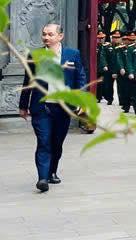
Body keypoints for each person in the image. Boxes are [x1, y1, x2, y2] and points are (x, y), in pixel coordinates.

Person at [19, 22, 88, 192]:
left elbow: (80, 78)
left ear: (60, 36)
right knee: (44, 142)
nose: (46, 37)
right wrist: (23, 105)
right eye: (44, 34)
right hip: (42, 107)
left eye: (50, 34)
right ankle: (42, 178)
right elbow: (28, 81)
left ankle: (52, 172)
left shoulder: (73, 54)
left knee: (57, 143)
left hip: (63, 108)